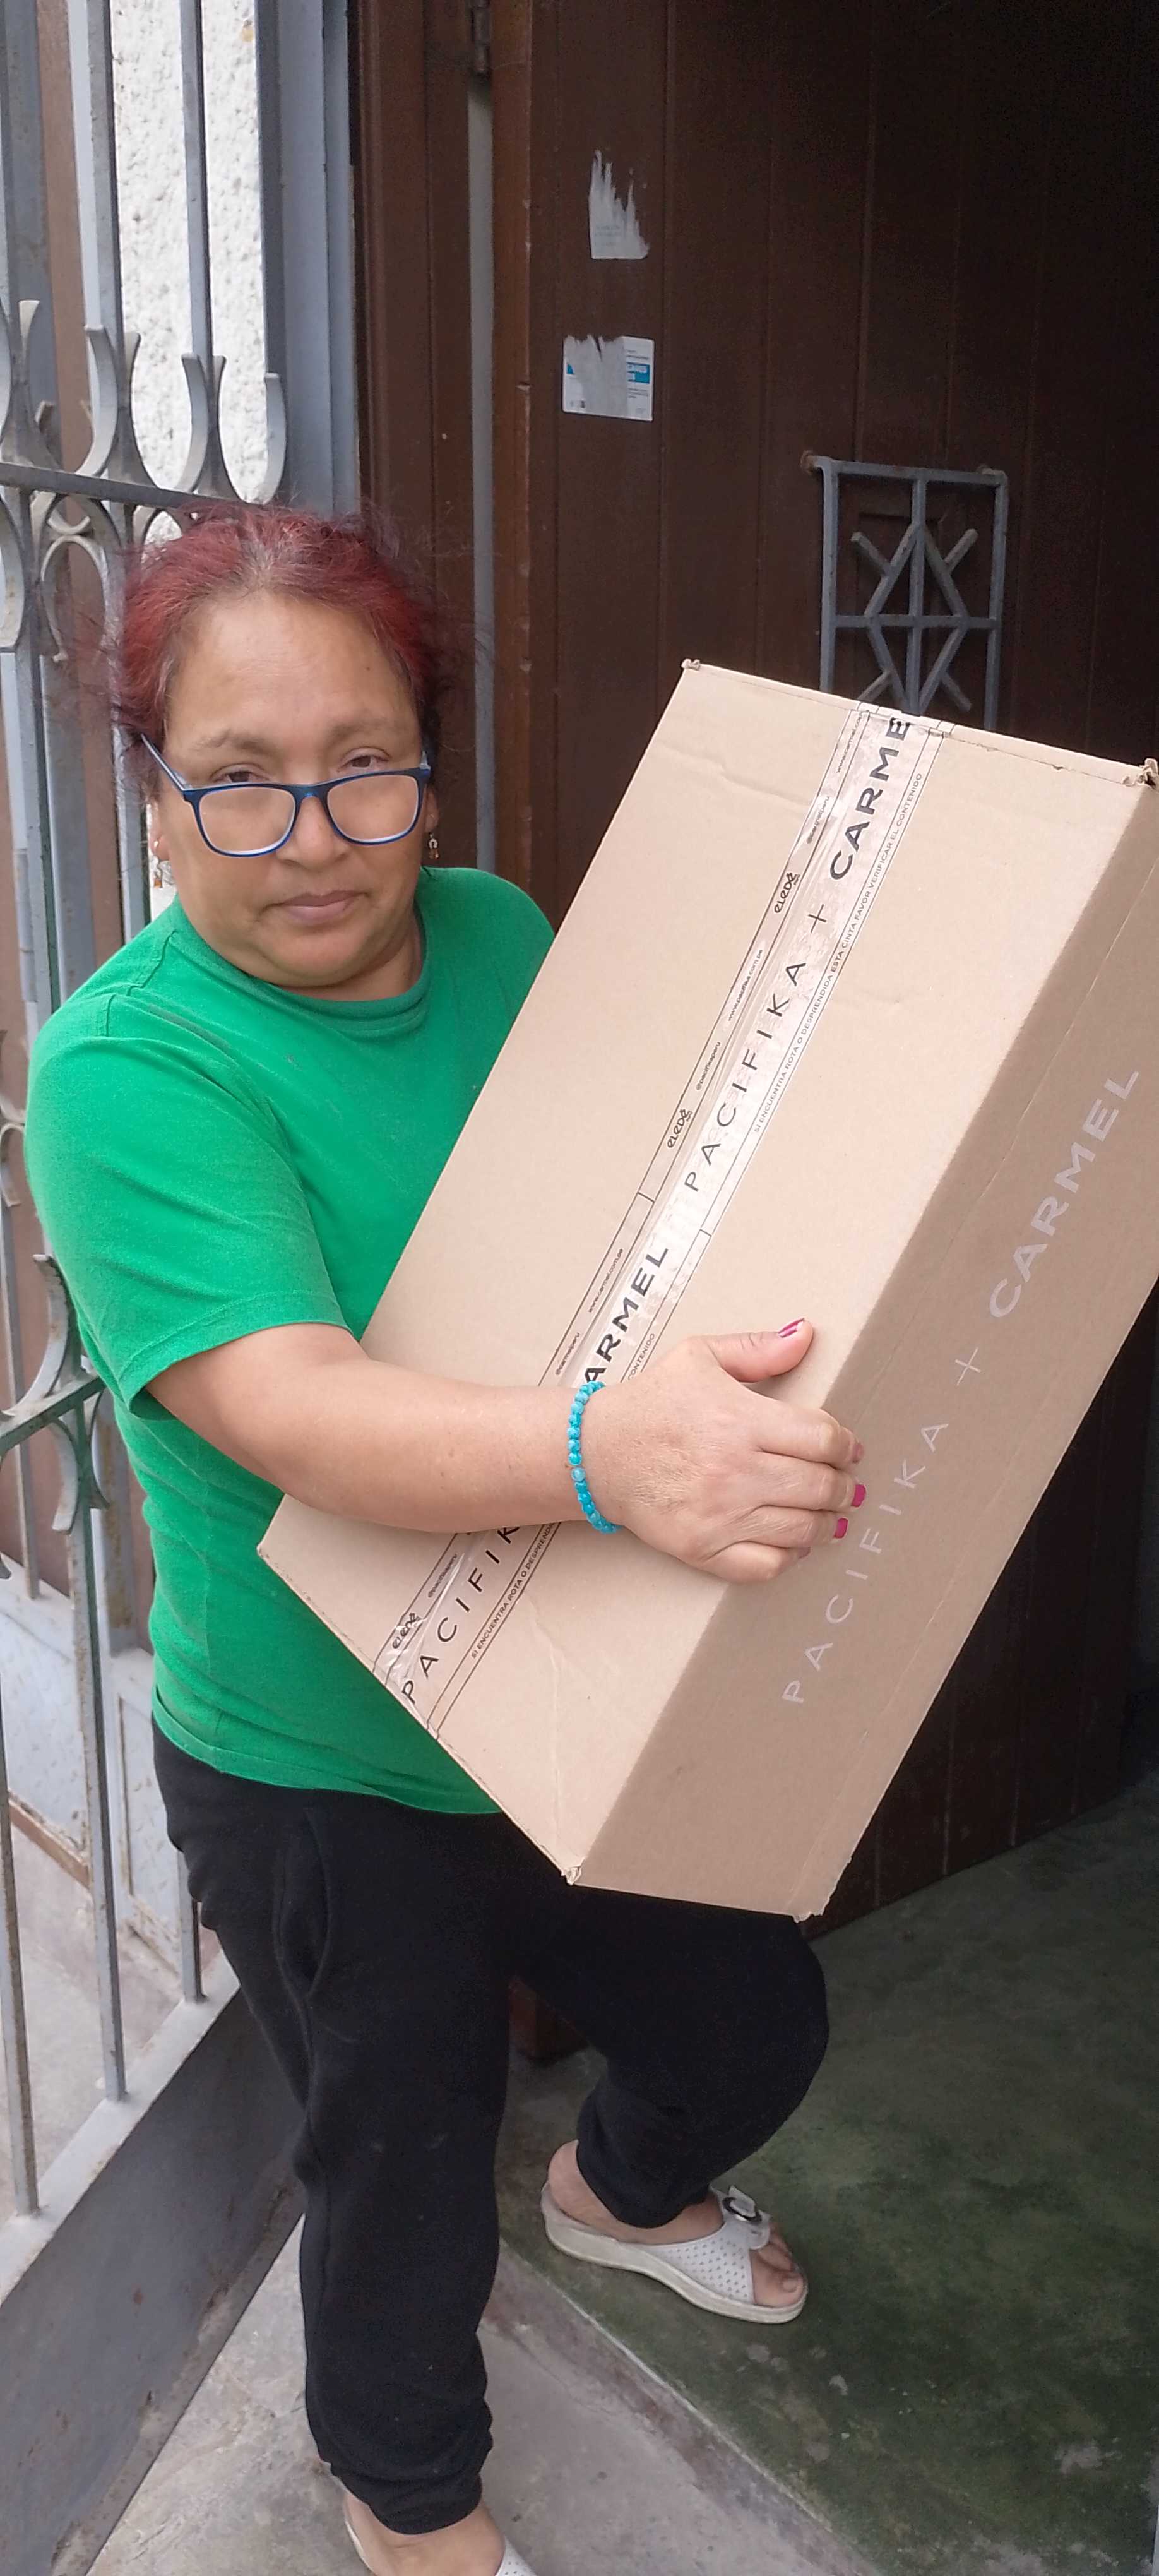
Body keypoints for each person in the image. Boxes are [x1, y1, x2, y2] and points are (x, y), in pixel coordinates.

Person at [25, 506, 864, 2576]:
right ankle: (410, 2508)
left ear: (429, 762)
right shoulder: (125, 1067)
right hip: (323, 1759)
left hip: (566, 1666)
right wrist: (611, 1452)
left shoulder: (492, 931)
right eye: (240, 779)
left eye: (365, 766)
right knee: (397, 2177)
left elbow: (633, 1193)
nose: (311, 838)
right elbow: (289, 1408)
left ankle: (620, 2197)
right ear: (155, 792)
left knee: (750, 2022)